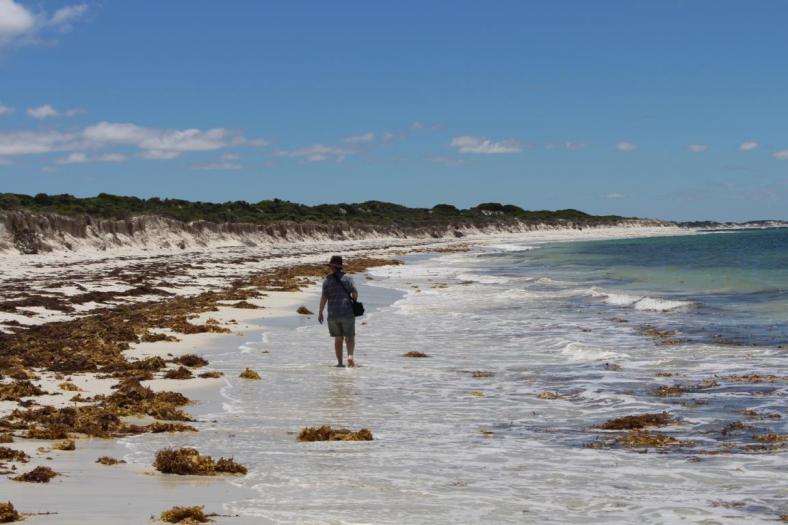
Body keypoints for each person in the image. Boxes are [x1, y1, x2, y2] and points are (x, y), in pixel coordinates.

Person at [318, 255, 359, 367]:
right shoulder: (348, 279)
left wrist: (320, 312)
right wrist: (354, 301)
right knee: (349, 337)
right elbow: (355, 294)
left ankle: (340, 363)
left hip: (333, 314)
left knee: (338, 339)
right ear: (340, 267)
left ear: (332, 266)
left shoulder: (327, 280)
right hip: (347, 312)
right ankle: (350, 356)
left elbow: (324, 298)